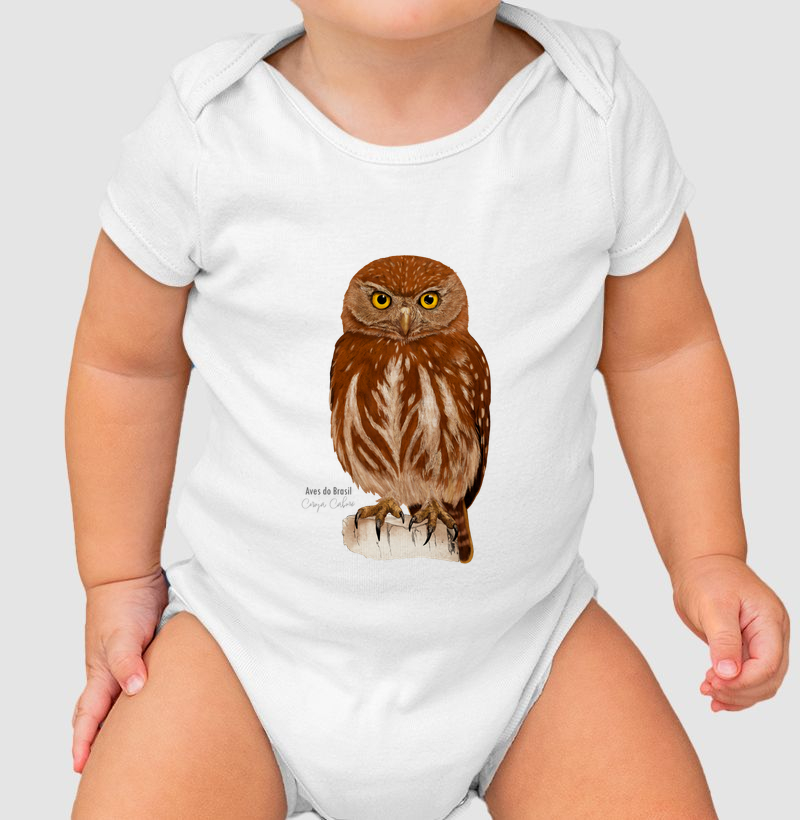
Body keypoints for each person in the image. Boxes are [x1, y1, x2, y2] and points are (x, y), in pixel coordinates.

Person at [67, 2, 790, 818]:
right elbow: (126, 366)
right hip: (243, 651)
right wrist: (117, 577)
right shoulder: (208, 130)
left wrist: (708, 554)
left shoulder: (593, 114)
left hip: (530, 651)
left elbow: (663, 354)